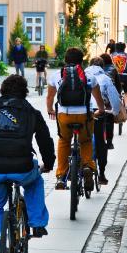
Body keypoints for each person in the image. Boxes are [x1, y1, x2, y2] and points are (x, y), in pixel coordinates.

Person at [0, 75, 55, 253]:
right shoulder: (31, 112)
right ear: (24, 91)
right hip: (22, 168)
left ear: (2, 90)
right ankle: (36, 223)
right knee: (35, 181)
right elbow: (45, 139)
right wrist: (48, 163)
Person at [46, 47, 105, 192]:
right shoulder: (89, 77)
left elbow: (50, 97)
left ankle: (61, 176)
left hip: (64, 115)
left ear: (65, 60)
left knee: (64, 141)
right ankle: (87, 167)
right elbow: (98, 99)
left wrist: (50, 110)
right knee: (85, 140)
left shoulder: (56, 76)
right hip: (84, 115)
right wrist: (101, 110)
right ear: (82, 61)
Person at [85, 57, 121, 185]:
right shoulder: (105, 78)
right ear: (102, 66)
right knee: (101, 142)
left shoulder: (81, 75)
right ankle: (101, 173)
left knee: (81, 139)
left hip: (81, 111)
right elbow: (115, 99)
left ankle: (76, 167)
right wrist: (115, 112)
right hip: (99, 112)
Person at [100, 53, 121, 150]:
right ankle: (109, 142)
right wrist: (118, 96)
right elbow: (117, 86)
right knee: (109, 119)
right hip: (108, 99)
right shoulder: (113, 69)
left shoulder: (96, 71)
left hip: (97, 98)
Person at [111, 42, 127, 107]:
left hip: (114, 77)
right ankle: (126, 106)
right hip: (125, 76)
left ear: (115, 48)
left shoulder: (111, 56)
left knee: (112, 91)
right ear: (124, 48)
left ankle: (113, 105)